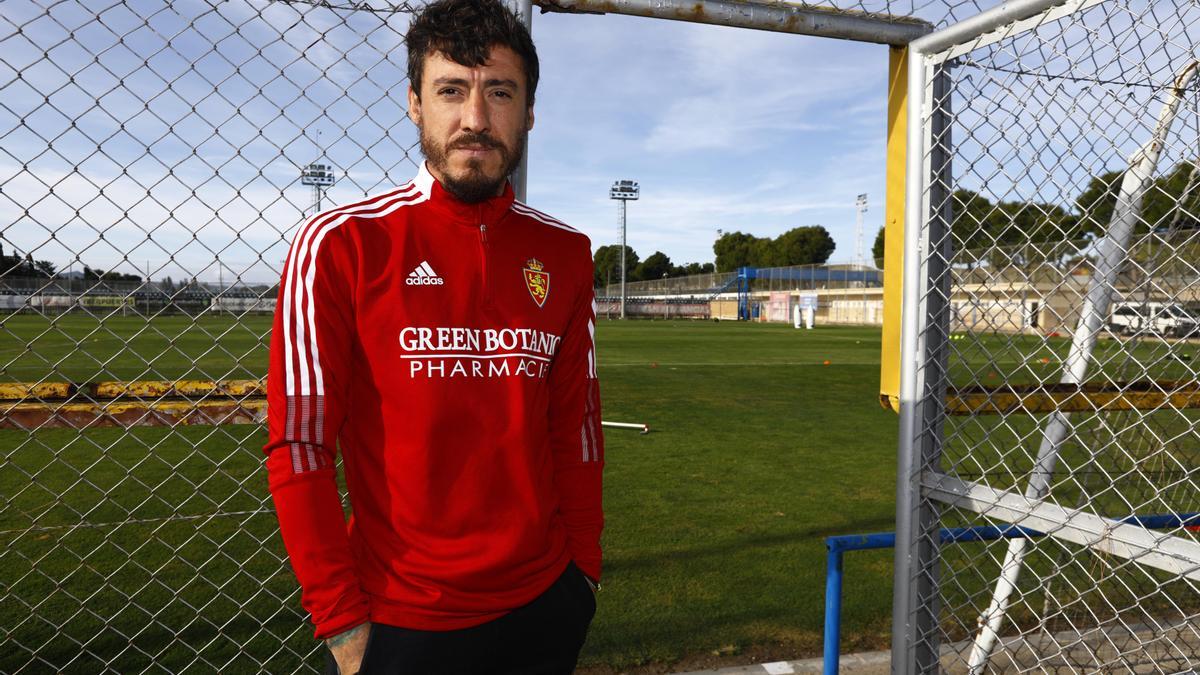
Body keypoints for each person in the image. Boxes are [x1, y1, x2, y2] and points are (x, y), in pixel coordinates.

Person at [263, 1, 605, 672]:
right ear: (416, 104)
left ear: (529, 112)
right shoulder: (340, 244)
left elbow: (579, 428)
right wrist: (342, 625)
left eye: (499, 91)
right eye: (451, 90)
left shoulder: (564, 252)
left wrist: (582, 574)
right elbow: (300, 443)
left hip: (545, 605)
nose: (475, 118)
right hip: (400, 623)